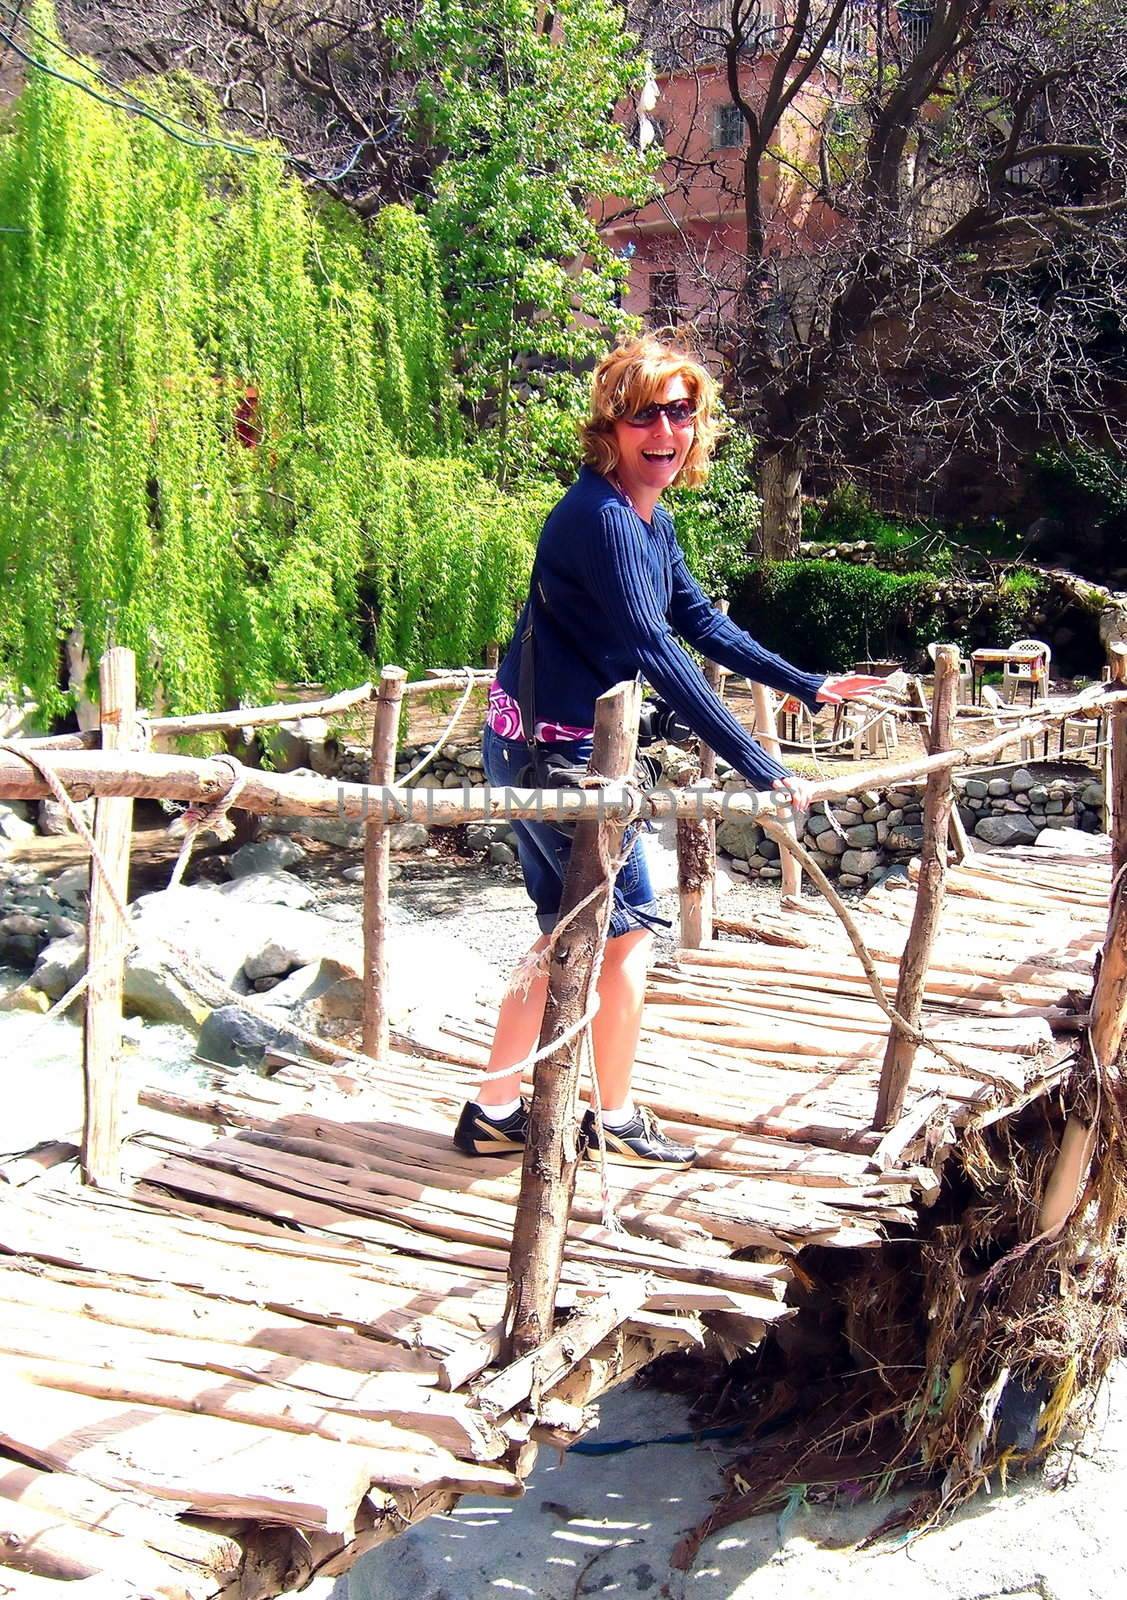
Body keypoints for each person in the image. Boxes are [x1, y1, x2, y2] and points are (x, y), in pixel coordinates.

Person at [453, 335, 884, 1168]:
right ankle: (610, 1116)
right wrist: (763, 764)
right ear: (609, 427)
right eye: (643, 413)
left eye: (680, 412)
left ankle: (493, 1108)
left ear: (698, 426)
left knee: (566, 934)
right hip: (562, 763)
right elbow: (654, 650)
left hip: (543, 746)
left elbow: (702, 624)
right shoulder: (602, 518)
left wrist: (807, 684)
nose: (664, 429)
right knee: (624, 935)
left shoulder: (651, 520)